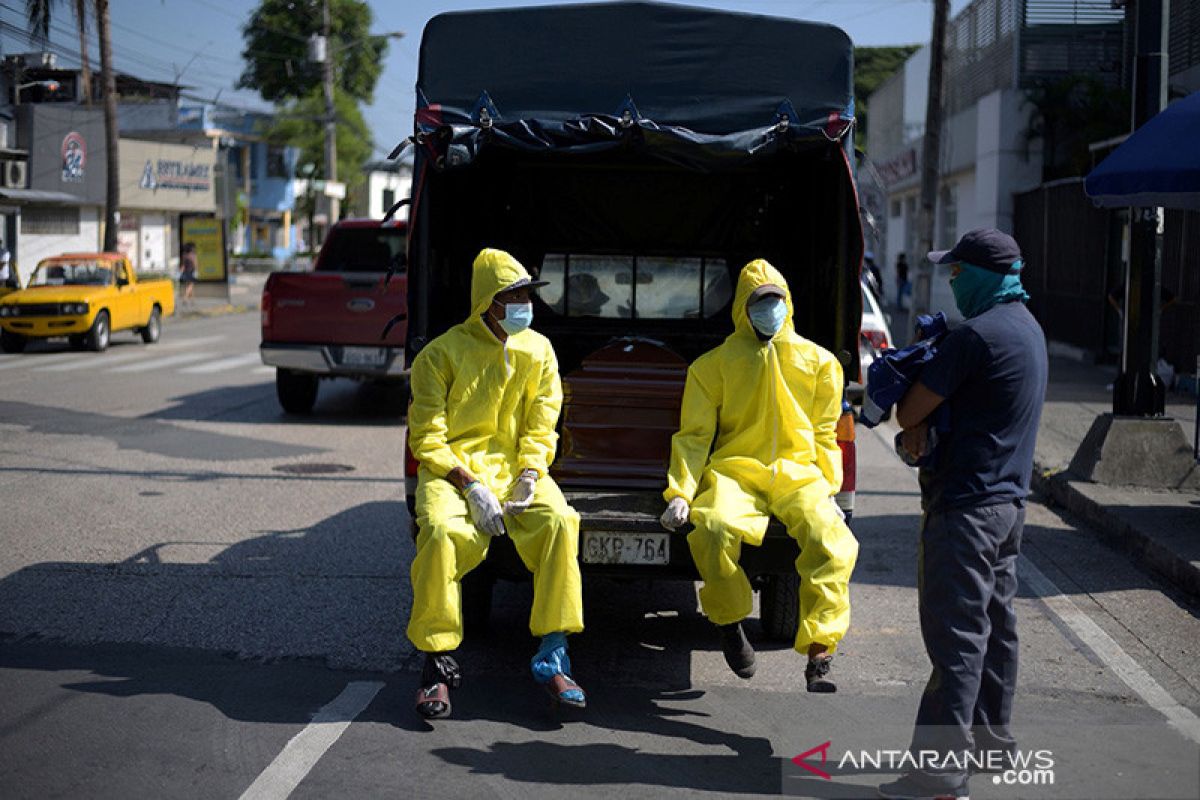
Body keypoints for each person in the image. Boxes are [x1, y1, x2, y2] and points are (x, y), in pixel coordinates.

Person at [878, 229, 1047, 800]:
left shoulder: (975, 337)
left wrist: (920, 413)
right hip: (1008, 508)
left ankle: (939, 778)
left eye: (958, 272)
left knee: (957, 642)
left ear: (981, 274)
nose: (952, 281)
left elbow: (909, 410)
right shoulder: (1029, 329)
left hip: (965, 512)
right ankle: (992, 746)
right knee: (997, 629)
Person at [660, 258, 859, 692]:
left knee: (831, 540)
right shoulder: (711, 367)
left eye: (776, 301)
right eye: (760, 302)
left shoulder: (820, 363)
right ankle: (730, 622)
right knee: (710, 528)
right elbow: (694, 438)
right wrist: (681, 492)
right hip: (737, 473)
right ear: (742, 309)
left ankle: (821, 650)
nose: (770, 309)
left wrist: (829, 489)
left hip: (800, 473)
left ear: (788, 303)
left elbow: (826, 434)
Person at [406, 247, 586, 720]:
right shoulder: (439, 355)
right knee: (442, 535)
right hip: (451, 474)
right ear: (489, 300)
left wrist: (529, 474)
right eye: (516, 295)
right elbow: (427, 439)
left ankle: (553, 656)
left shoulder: (538, 350)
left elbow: (542, 423)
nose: (527, 303)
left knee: (561, 522)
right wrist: (469, 485)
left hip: (515, 472)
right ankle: (436, 667)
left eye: (528, 293)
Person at [179, 242, 198, 307]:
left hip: (185, 272)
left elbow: (183, 266)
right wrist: (196, 271)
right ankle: (185, 298)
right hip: (192, 272)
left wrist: (180, 272)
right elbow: (195, 264)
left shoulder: (184, 255)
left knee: (189, 286)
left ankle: (193, 301)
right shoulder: (193, 255)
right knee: (190, 286)